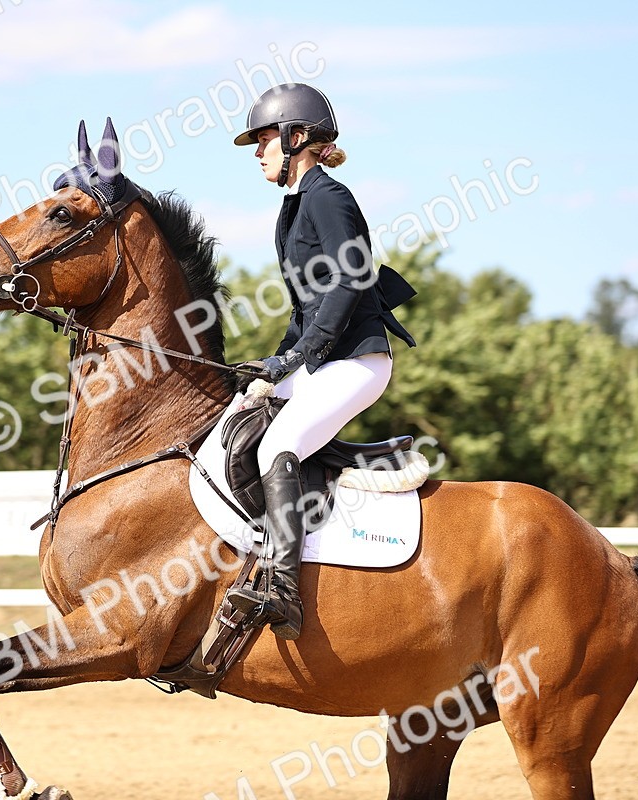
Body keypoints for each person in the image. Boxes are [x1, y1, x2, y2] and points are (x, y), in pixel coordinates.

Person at [226, 83, 418, 640]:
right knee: (241, 417)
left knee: (277, 445)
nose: (257, 151)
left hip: (357, 360)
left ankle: (283, 589)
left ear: (297, 137)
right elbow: (307, 306)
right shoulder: (294, 208)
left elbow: (352, 279)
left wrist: (300, 358)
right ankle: (265, 548)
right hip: (323, 359)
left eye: (264, 139)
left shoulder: (328, 197)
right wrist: (274, 364)